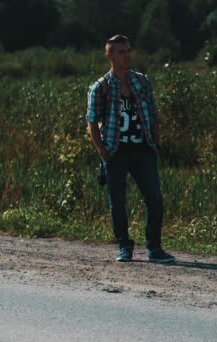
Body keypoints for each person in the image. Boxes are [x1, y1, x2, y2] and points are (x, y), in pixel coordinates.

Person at [86, 34, 175, 263]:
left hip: (143, 148)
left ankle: (154, 248)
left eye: (128, 51)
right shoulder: (101, 87)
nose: (126, 56)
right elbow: (92, 122)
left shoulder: (142, 81)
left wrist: (156, 144)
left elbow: (153, 115)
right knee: (118, 202)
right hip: (116, 151)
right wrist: (103, 153)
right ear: (110, 56)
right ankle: (124, 246)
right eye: (121, 52)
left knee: (154, 198)